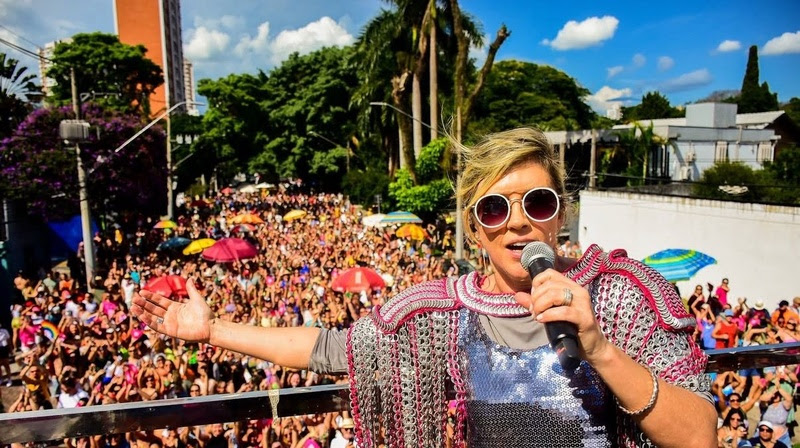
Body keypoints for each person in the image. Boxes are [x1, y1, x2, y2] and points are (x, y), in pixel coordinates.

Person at [133, 127, 716, 447]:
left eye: (536, 203)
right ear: (473, 228)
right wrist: (211, 330)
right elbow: (326, 348)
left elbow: (700, 439)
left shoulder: (624, 292)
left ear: (560, 213)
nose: (517, 222)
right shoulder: (438, 315)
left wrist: (599, 349)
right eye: (494, 209)